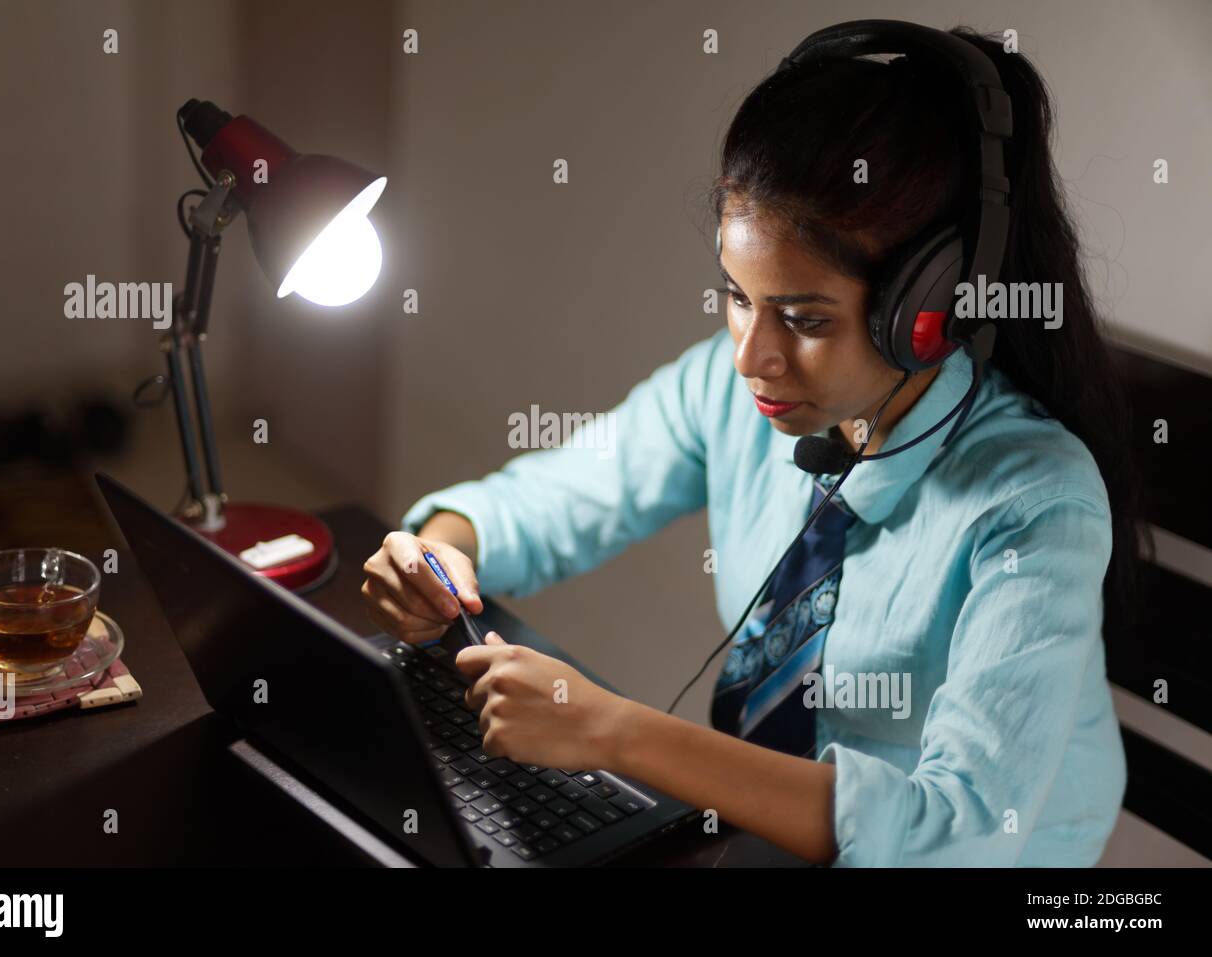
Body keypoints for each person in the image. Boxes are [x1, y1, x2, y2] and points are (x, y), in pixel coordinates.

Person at [360, 25, 1140, 866]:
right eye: (737, 297)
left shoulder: (1035, 502)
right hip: (767, 827)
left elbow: (964, 826)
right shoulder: (734, 392)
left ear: (927, 312)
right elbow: (550, 502)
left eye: (804, 319)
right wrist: (438, 553)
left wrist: (615, 731)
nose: (751, 357)